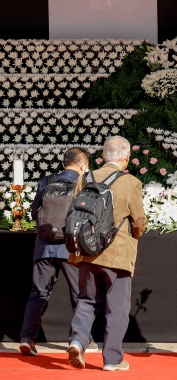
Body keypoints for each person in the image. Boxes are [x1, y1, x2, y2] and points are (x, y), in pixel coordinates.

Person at [66, 136, 147, 371]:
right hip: (117, 254)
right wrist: (137, 232)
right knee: (117, 307)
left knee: (86, 300)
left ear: (103, 156)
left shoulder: (85, 177)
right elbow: (138, 221)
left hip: (86, 252)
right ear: (127, 158)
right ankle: (112, 360)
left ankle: (77, 341)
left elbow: (73, 211)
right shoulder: (131, 182)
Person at [19, 148, 99, 356]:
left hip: (43, 245)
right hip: (71, 247)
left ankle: (28, 339)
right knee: (80, 295)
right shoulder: (84, 183)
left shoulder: (46, 181)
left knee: (38, 293)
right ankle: (82, 341)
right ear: (82, 165)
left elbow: (34, 211)